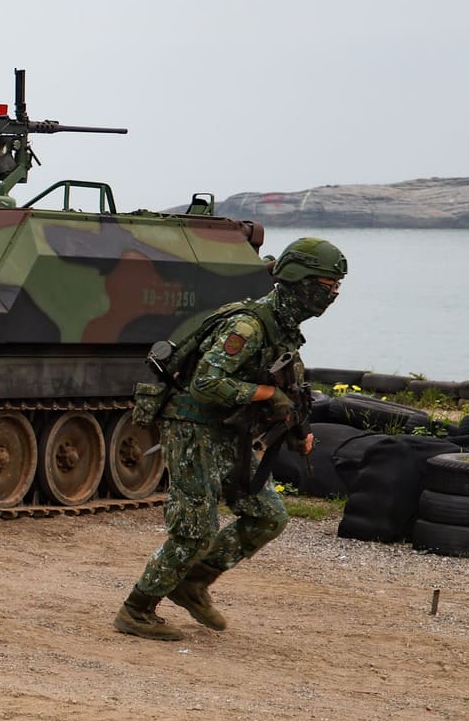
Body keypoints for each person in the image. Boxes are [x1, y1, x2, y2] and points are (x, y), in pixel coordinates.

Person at [114, 237, 349, 639]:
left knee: (268, 516)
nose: (332, 296)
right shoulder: (248, 325)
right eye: (328, 286)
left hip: (227, 432)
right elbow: (207, 382)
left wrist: (296, 429)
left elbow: (287, 384)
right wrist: (267, 395)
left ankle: (193, 583)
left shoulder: (283, 328)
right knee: (196, 528)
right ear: (303, 282)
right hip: (192, 427)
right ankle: (137, 608)